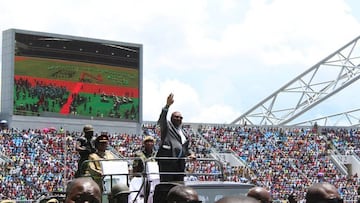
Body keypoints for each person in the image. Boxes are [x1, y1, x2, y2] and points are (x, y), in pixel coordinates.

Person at [156, 93, 195, 182]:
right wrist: (167, 106)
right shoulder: (167, 126)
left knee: (179, 187)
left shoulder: (183, 132)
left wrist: (191, 154)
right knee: (166, 186)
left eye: (181, 117)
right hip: (168, 163)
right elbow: (162, 118)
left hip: (180, 164)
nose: (179, 119)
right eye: (176, 117)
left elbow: (185, 147)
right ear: (171, 118)